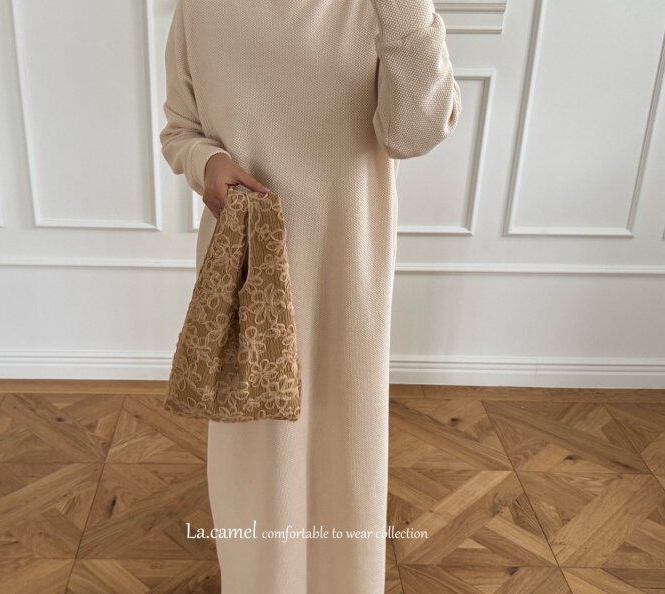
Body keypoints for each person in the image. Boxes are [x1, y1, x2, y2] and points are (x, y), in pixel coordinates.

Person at [160, 0, 460, 591]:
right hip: (246, 276)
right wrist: (206, 162)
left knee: (345, 448)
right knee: (254, 457)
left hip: (347, 267)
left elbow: (415, 132)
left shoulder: (380, 8)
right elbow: (180, 130)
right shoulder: (200, 9)